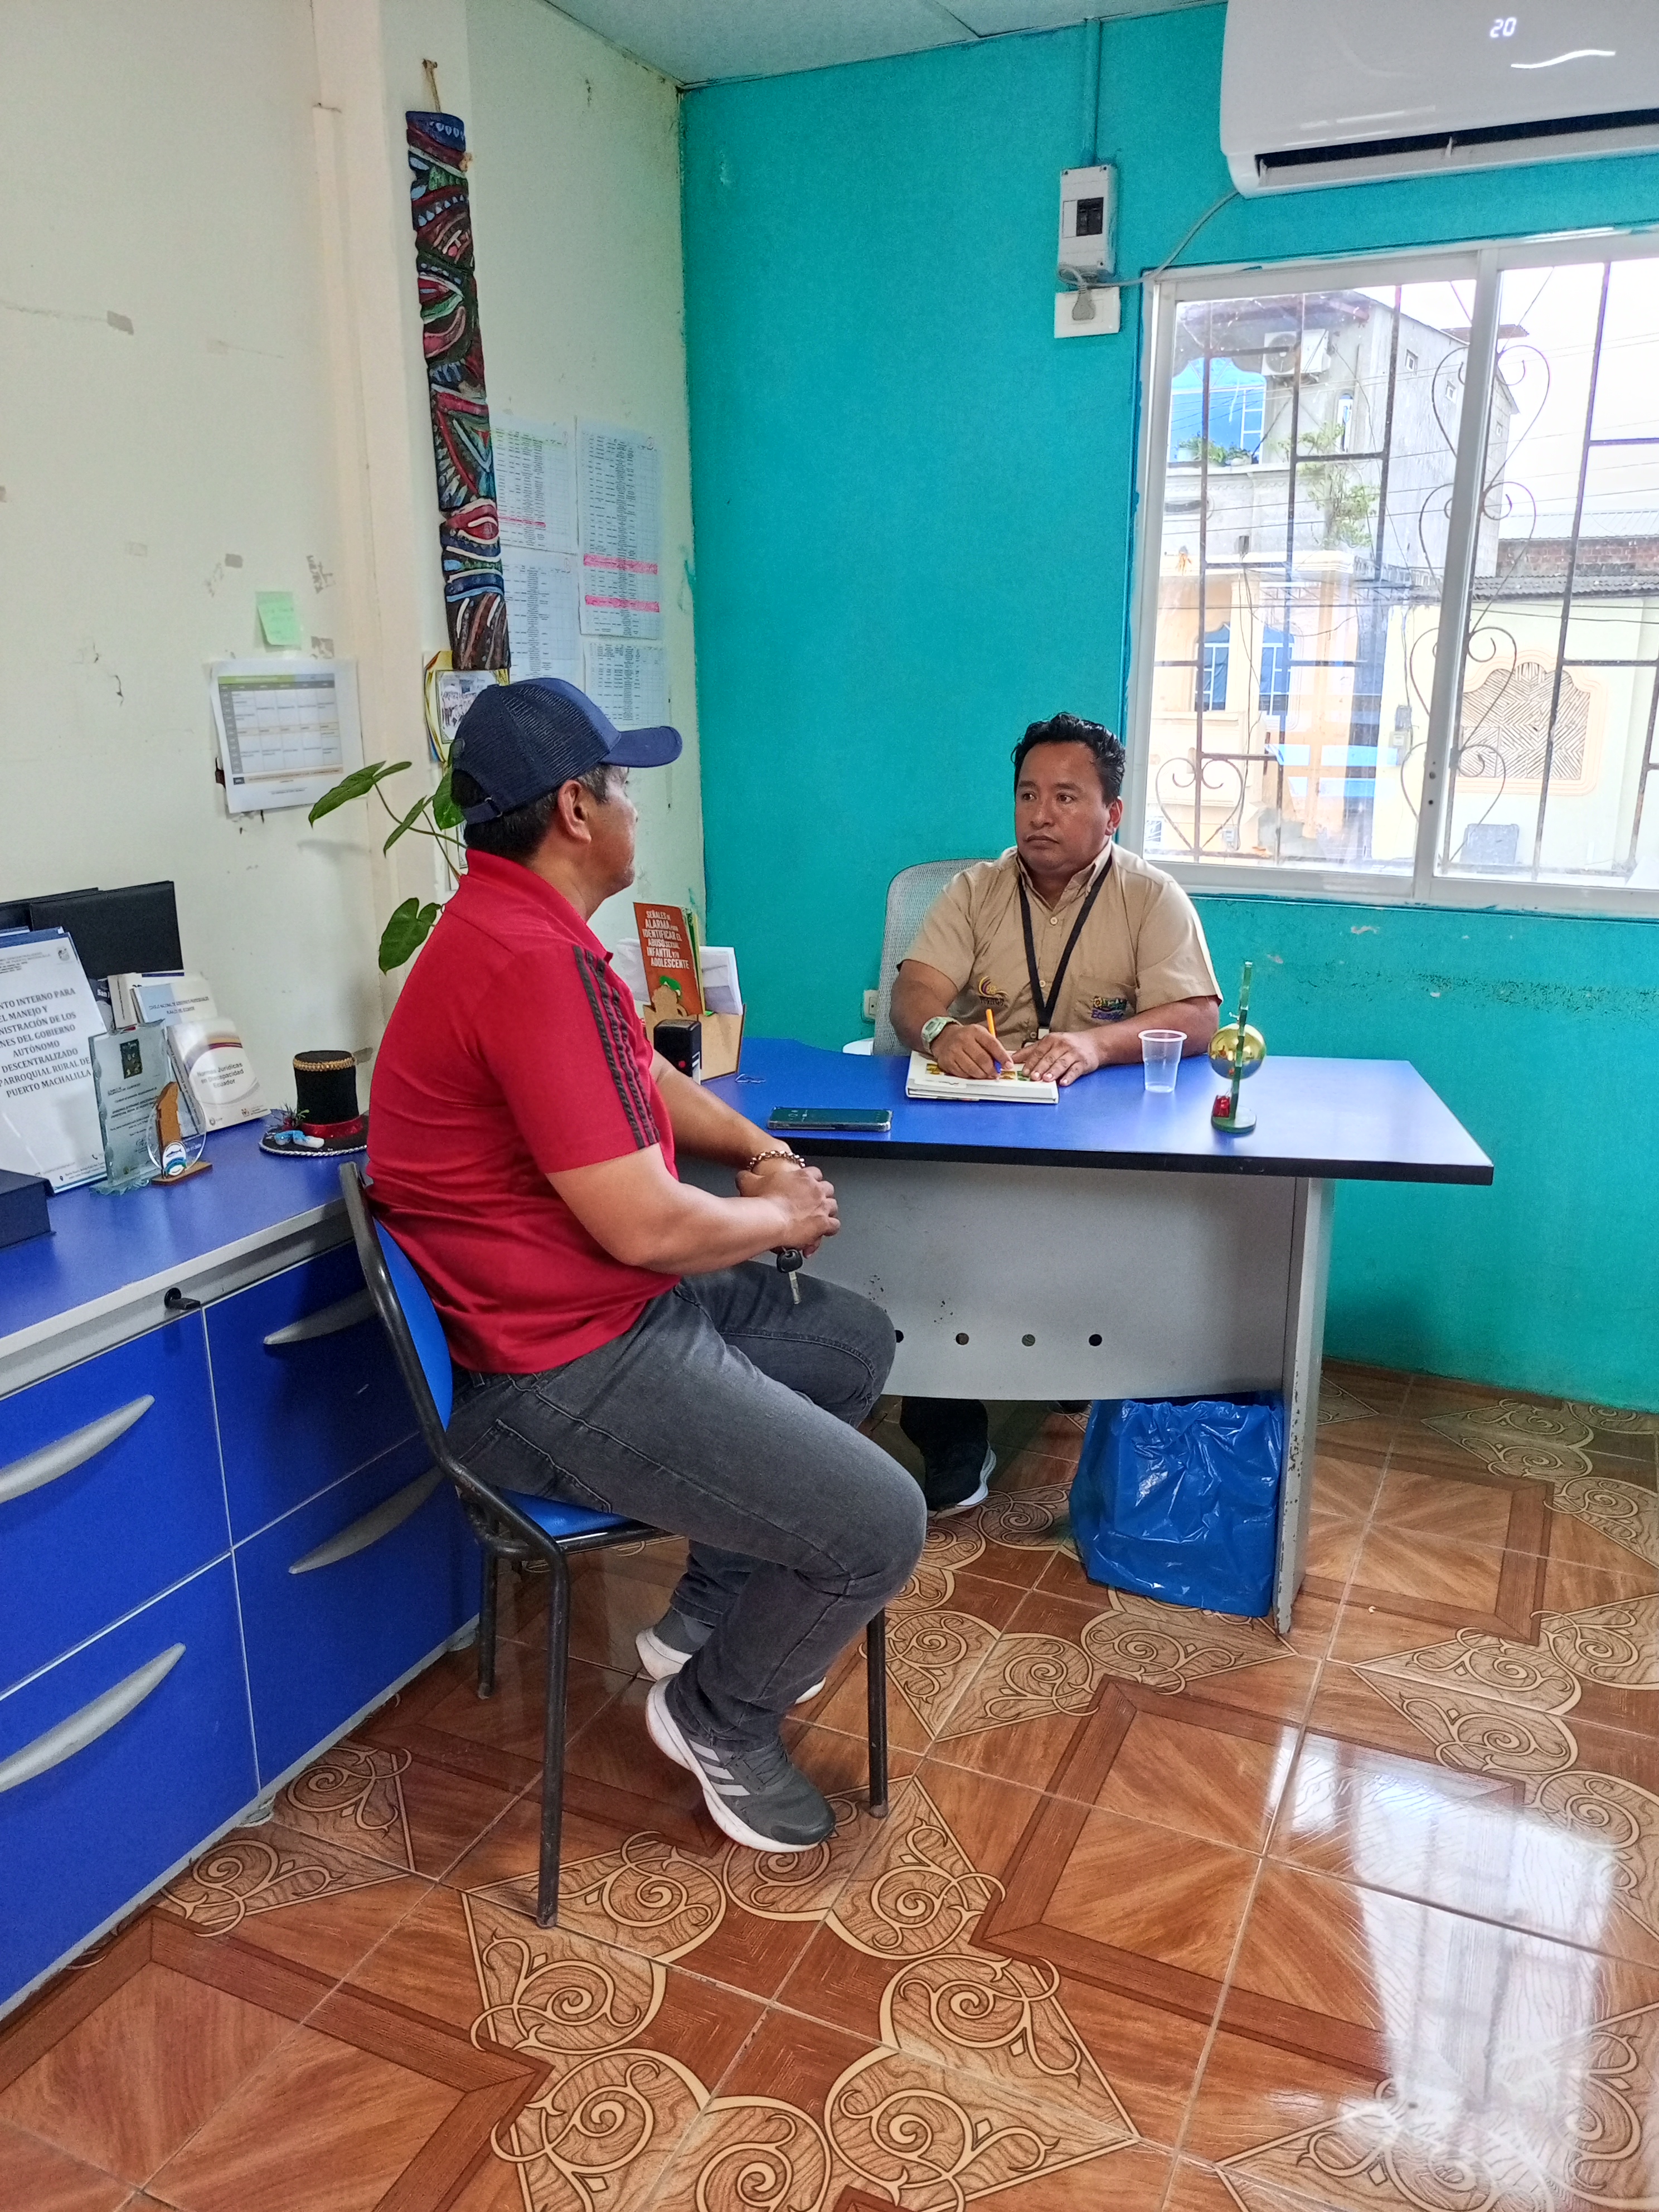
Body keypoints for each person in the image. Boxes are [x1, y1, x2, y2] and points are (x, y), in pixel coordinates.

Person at [368, 678, 925, 1856]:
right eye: (623, 785)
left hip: (596, 1315)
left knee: (847, 1343)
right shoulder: (525, 963)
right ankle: (718, 1715)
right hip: (553, 1371)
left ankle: (708, 1611)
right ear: (577, 809)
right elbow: (646, 1230)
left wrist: (765, 1155)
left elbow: (649, 1076)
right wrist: (774, 1217)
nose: (634, 809)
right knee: (882, 1522)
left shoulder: (527, 931)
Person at [888, 711, 1221, 1513]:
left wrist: (1097, 1045)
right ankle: (948, 1426)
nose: (1041, 814)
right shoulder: (977, 890)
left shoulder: (1149, 895)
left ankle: (1088, 1370)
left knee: (1112, 1246)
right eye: (1028, 794)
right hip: (986, 1120)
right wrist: (940, 1031)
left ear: (1112, 813)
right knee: (931, 1237)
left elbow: (1199, 1017)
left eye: (1066, 797)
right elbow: (915, 991)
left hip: (1101, 1134)